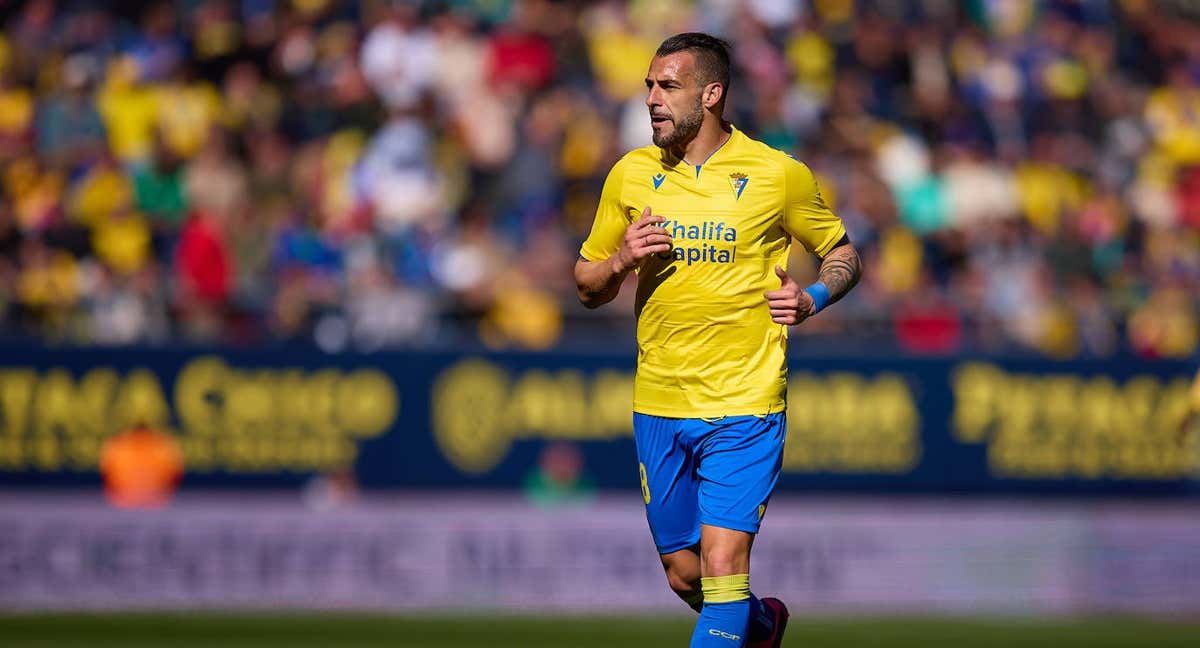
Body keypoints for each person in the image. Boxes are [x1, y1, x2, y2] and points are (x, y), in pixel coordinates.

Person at [573, 33, 862, 647]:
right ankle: (761, 626)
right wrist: (621, 259)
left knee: (724, 564)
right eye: (649, 85)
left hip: (746, 401)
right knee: (685, 576)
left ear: (711, 94)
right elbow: (586, 285)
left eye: (667, 86)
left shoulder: (776, 174)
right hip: (660, 399)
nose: (652, 98)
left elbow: (841, 252)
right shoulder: (630, 175)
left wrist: (814, 297)